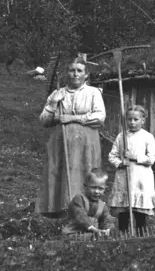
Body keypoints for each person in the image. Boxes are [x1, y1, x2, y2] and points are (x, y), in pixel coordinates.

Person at [36, 56, 106, 217]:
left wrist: (73, 118)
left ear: (86, 75)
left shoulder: (93, 93)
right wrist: (53, 103)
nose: (75, 74)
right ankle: (59, 210)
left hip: (86, 145)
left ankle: (85, 212)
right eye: (72, 70)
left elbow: (99, 117)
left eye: (79, 71)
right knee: (59, 174)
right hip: (60, 144)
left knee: (86, 175)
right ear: (67, 73)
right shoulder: (58, 93)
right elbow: (44, 121)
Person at [107, 104, 155, 235]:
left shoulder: (147, 137)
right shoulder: (121, 137)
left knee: (139, 211)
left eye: (136, 119)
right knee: (123, 210)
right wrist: (120, 163)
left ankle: (141, 235)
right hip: (124, 177)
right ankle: (123, 235)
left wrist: (134, 157)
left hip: (140, 179)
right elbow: (112, 155)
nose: (132, 122)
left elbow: (150, 159)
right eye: (129, 119)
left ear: (143, 120)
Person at [62, 168, 115, 238]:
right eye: (93, 187)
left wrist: (107, 229)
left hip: (92, 234)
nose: (96, 191)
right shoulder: (78, 199)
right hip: (74, 233)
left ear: (105, 189)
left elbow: (107, 219)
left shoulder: (102, 205)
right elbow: (80, 216)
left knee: (101, 237)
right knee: (90, 238)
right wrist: (94, 229)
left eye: (100, 188)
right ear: (85, 186)